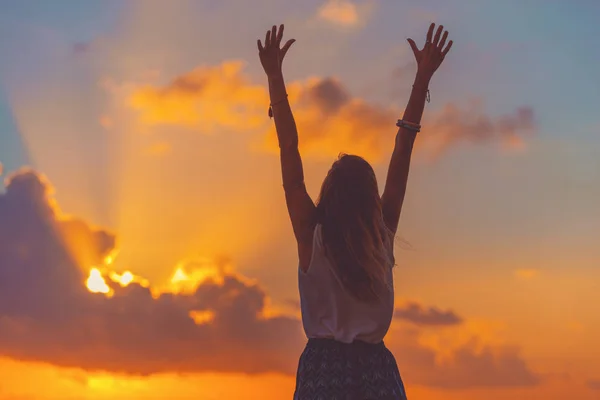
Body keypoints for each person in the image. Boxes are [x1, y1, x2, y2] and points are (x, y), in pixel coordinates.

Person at [257, 23, 453, 400]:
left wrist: (275, 78)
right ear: (370, 197)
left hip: (322, 373)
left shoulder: (310, 235)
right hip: (377, 373)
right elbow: (402, 151)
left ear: (329, 193)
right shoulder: (381, 233)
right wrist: (422, 77)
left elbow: (290, 154)